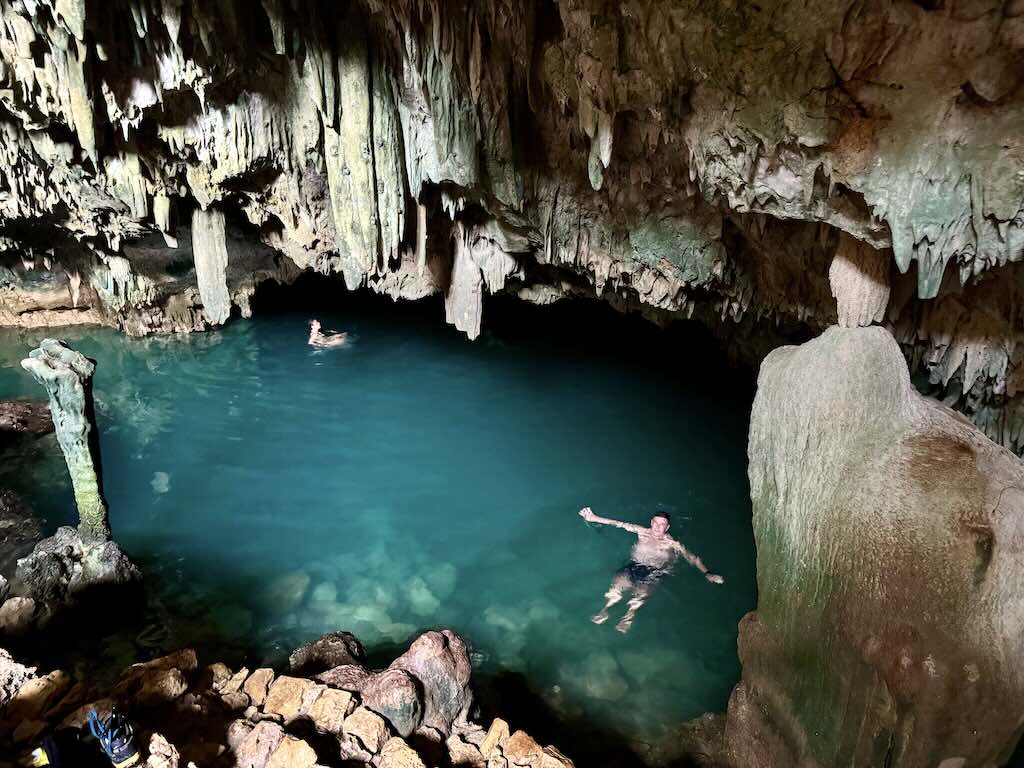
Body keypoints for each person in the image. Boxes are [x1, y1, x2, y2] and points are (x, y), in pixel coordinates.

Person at [579, 506, 723, 633]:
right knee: (616, 587)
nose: (658, 527)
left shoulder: (672, 543)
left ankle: (628, 617)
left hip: (654, 572)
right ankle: (605, 610)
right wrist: (593, 517)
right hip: (633, 565)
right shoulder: (641, 532)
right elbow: (618, 524)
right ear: (651, 523)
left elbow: (692, 558)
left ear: (667, 528)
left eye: (662, 524)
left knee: (639, 596)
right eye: (656, 523)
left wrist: (707, 573)